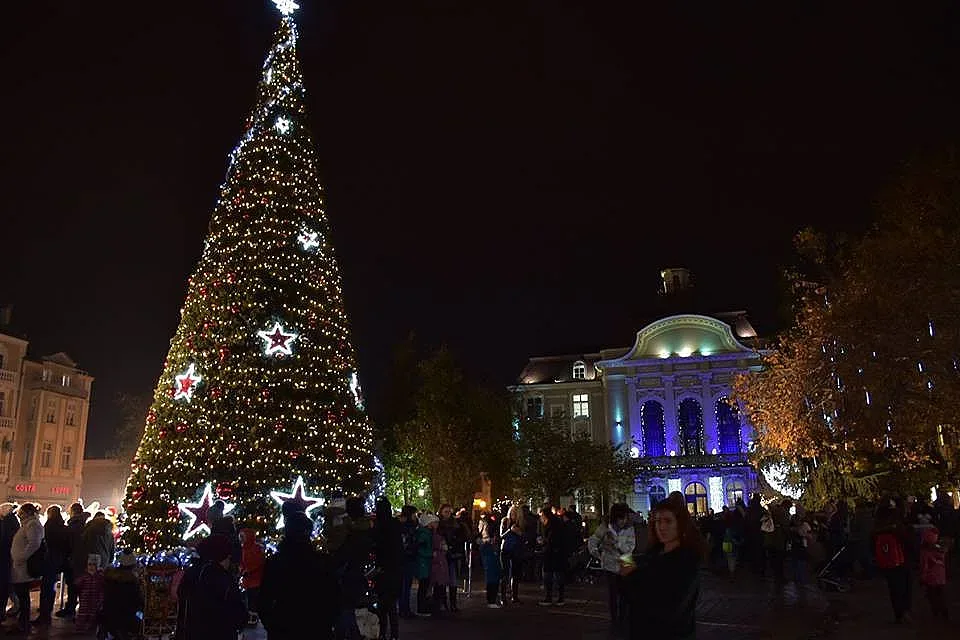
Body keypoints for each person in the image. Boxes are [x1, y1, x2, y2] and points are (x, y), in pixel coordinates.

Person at [622, 498, 702, 639]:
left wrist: (631, 576)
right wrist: (624, 556)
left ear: (680, 524)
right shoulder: (652, 554)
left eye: (668, 521)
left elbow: (668, 607)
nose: (662, 527)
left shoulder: (686, 561)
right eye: (658, 521)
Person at [260, 511, 337, 639]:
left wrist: (273, 625)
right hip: (316, 628)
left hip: (284, 628)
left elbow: (264, 600)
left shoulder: (276, 562)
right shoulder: (321, 562)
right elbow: (334, 598)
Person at [178, 533, 247, 639]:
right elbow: (238, 613)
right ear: (222, 557)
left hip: (191, 633)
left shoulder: (192, 573)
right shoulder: (223, 578)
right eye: (228, 557)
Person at [588, 503, 635, 626]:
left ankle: (624, 617)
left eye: (625, 518)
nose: (623, 521)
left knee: (626, 592)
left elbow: (630, 548)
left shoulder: (630, 528)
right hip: (610, 563)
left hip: (625, 562)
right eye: (621, 518)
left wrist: (615, 544)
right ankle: (615, 619)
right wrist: (599, 554)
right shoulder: (605, 528)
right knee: (613, 593)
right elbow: (592, 542)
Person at [873, 503, 912, 623]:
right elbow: (908, 541)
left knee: (894, 588)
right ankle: (905, 611)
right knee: (904, 587)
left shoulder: (878, 528)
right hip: (902, 559)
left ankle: (899, 613)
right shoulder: (898, 527)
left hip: (888, 561)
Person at [10, 502, 44, 635]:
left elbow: (34, 543)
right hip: (20, 566)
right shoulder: (28, 524)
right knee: (22, 596)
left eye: (21, 512)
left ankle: (23, 625)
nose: (19, 515)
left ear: (28, 512)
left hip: (23, 567)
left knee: (23, 597)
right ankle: (22, 623)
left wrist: (21, 557)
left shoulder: (33, 524)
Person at [372, 498, 403, 640]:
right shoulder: (395, 525)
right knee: (391, 605)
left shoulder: (378, 527)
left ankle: (383, 632)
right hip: (395, 569)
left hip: (383, 569)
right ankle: (394, 633)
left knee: (383, 604)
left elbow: (376, 547)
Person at [35, 505, 69, 625]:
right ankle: (47, 611)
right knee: (52, 587)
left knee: (46, 587)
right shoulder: (64, 527)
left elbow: (45, 543)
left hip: (49, 559)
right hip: (59, 561)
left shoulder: (49, 525)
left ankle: (44, 614)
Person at [57, 502, 90, 618]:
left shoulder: (73, 526)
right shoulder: (85, 525)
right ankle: (81, 610)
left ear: (73, 512)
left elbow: (68, 544)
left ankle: (71, 609)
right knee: (80, 586)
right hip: (82, 560)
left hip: (73, 560)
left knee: (73, 586)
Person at [100, 551, 144, 640]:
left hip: (108, 617)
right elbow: (138, 602)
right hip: (127, 619)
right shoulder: (133, 582)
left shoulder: (111, 578)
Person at [538, 506, 568, 607]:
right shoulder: (558, 523)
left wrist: (543, 542)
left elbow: (550, 540)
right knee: (558, 574)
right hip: (558, 553)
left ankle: (549, 597)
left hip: (550, 553)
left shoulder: (550, 526)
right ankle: (560, 598)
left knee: (548, 575)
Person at [436, 504, 464, 612]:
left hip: (452, 554)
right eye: (445, 512)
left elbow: (461, 537)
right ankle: (442, 603)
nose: (447, 514)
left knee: (453, 580)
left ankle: (453, 603)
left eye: (449, 512)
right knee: (442, 580)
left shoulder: (455, 524)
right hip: (442, 554)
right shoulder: (439, 524)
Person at [919, 528, 948, 619]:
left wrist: (922, 577)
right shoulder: (940, 549)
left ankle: (935, 611)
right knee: (941, 594)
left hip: (930, 576)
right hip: (940, 576)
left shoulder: (925, 552)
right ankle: (944, 611)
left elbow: (924, 565)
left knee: (932, 595)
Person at [239, 528, 265, 627]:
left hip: (255, 580)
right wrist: (242, 569)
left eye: (243, 537)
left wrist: (248, 570)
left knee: (253, 601)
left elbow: (259, 563)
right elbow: (242, 562)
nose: (241, 539)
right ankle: (249, 617)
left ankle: (253, 618)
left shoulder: (256, 548)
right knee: (248, 600)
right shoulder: (243, 549)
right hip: (247, 581)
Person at [74, 554, 105, 634]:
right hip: (84, 600)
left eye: (94, 565)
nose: (91, 567)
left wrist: (101, 599)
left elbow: (102, 588)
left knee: (93, 615)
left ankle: (91, 627)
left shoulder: (99, 577)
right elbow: (77, 584)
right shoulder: (85, 576)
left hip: (95, 600)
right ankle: (80, 627)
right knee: (83, 614)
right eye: (89, 565)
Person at [415, 513, 438, 617]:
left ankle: (423, 607)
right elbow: (420, 549)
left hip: (424, 563)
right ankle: (421, 608)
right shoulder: (425, 534)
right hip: (423, 563)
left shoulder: (425, 533)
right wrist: (430, 554)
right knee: (423, 586)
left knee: (423, 586)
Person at [398, 505, 419, 619]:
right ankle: (404, 608)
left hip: (404, 558)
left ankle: (403, 608)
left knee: (404, 585)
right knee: (405, 585)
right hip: (407, 558)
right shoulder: (409, 527)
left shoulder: (403, 526)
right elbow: (409, 543)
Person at [0, 503, 20, 621]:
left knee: (4, 586)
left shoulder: (7, 523)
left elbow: (4, 541)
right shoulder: (14, 521)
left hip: (5, 558)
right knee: (7, 586)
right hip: (8, 558)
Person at [500, 508, 524, 604]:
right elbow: (501, 535)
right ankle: (503, 597)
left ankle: (514, 596)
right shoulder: (505, 521)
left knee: (515, 574)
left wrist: (519, 533)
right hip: (506, 549)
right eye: (511, 512)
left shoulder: (521, 523)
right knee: (505, 573)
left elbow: (524, 537)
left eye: (515, 513)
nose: (513, 515)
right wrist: (510, 530)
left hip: (516, 550)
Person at [477, 512, 501, 608]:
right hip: (489, 550)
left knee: (493, 574)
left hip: (489, 550)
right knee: (492, 574)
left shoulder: (487, 540)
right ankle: (491, 600)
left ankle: (492, 599)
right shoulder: (486, 542)